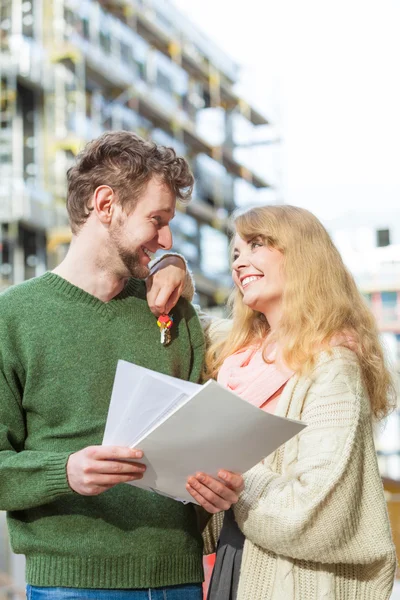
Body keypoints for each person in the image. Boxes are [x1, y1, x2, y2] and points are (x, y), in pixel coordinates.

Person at [0, 131, 244, 600]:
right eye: (158, 220)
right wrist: (65, 472)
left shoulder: (175, 312)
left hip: (180, 582)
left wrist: (219, 486)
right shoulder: (13, 319)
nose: (168, 239)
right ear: (106, 203)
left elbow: (203, 440)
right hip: (69, 586)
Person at [149, 205, 397, 600]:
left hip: (297, 584)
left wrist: (236, 482)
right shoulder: (239, 352)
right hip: (235, 563)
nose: (240, 262)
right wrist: (172, 261)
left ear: (302, 256)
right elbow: (180, 315)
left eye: (257, 245)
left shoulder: (333, 367)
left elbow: (319, 510)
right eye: (235, 253)